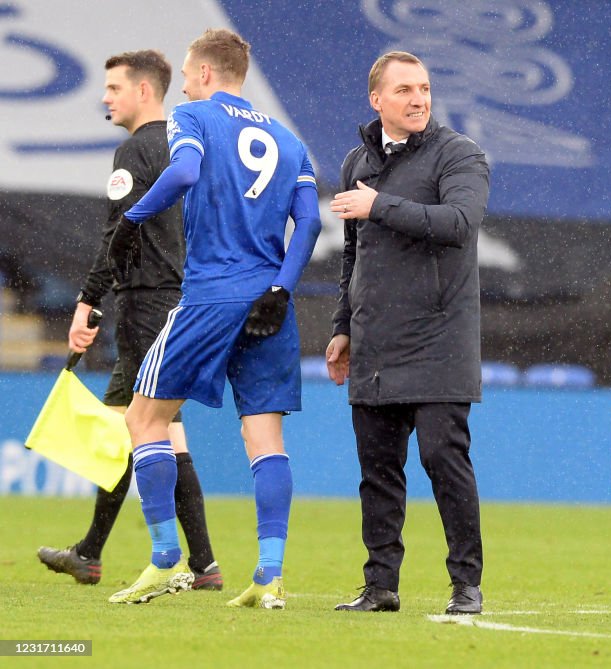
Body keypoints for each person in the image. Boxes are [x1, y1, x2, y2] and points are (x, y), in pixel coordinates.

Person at [104, 29, 321, 608]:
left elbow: (183, 175)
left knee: (145, 420)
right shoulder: (290, 140)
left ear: (202, 74)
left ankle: (164, 558)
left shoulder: (193, 116)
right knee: (266, 439)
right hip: (269, 302)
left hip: (209, 294)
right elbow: (312, 224)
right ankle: (269, 575)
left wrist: (132, 221)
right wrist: (281, 286)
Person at [37, 50, 221, 592]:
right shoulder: (192, 146)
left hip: (145, 305)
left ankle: (100, 554)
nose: (105, 97)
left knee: (134, 427)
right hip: (186, 301)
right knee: (159, 430)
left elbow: (117, 234)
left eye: (114, 88)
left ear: (145, 91)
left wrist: (87, 301)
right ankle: (201, 564)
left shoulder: (134, 151)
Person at [325, 51, 490, 615]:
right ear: (377, 100)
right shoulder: (356, 163)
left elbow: (460, 224)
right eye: (404, 90)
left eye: (424, 88)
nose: (418, 99)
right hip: (375, 343)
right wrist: (344, 326)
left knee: (445, 461)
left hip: (440, 338)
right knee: (377, 472)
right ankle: (380, 586)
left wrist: (380, 204)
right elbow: (353, 253)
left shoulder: (460, 154)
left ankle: (466, 585)